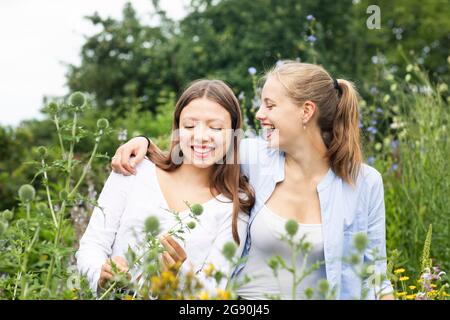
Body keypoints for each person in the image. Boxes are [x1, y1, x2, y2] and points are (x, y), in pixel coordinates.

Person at [111, 61, 394, 300]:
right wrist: (144, 143)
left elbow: (375, 275)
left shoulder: (365, 183)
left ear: (306, 111)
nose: (259, 114)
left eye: (270, 105)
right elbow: (194, 148)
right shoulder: (250, 155)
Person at [76, 79, 255, 296]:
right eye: (189, 125)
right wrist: (101, 277)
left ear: (233, 133)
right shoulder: (135, 169)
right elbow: (92, 245)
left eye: (216, 127)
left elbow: (213, 292)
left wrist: (174, 279)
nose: (200, 137)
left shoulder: (234, 206)